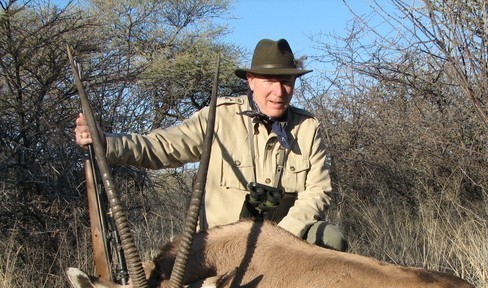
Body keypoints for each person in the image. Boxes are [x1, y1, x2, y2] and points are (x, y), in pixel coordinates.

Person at [74, 38, 347, 251]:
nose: (279, 92)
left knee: (331, 239)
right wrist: (107, 144)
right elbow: (162, 147)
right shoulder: (219, 116)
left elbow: (318, 193)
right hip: (223, 243)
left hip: (285, 241)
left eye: (286, 82)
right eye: (270, 81)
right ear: (251, 81)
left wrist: (279, 239)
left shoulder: (308, 127)